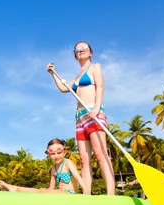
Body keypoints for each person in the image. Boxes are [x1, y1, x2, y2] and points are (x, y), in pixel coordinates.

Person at [46, 41, 115, 196]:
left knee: (100, 154)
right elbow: (64, 88)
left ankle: (111, 194)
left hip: (94, 113)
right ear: (76, 55)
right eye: (78, 50)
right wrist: (53, 74)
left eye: (85, 48)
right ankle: (87, 194)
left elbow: (100, 87)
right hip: (80, 118)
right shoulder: (77, 78)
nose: (81, 50)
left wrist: (97, 107)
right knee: (84, 159)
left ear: (90, 52)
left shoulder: (95, 67)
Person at [0, 138, 86, 194]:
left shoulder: (68, 163)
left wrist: (87, 194)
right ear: (49, 155)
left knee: (43, 191)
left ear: (64, 152)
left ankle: (15, 189)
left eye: (59, 153)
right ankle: (16, 190)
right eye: (53, 154)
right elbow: (51, 188)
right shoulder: (53, 169)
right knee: (43, 189)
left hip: (69, 194)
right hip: (59, 193)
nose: (56, 156)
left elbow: (79, 178)